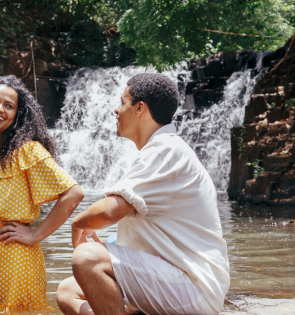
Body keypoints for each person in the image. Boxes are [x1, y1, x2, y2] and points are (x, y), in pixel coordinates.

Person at [56, 73, 230, 315]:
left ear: (139, 108)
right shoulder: (162, 150)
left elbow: (109, 211)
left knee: (87, 258)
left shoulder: (165, 149)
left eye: (122, 102)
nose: (116, 110)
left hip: (193, 287)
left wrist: (78, 223)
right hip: (171, 280)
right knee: (67, 291)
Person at [0, 75, 84, 312]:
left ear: (18, 115)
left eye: (9, 106)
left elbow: (73, 193)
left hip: (16, 257)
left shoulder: (26, 152)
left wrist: (35, 235)